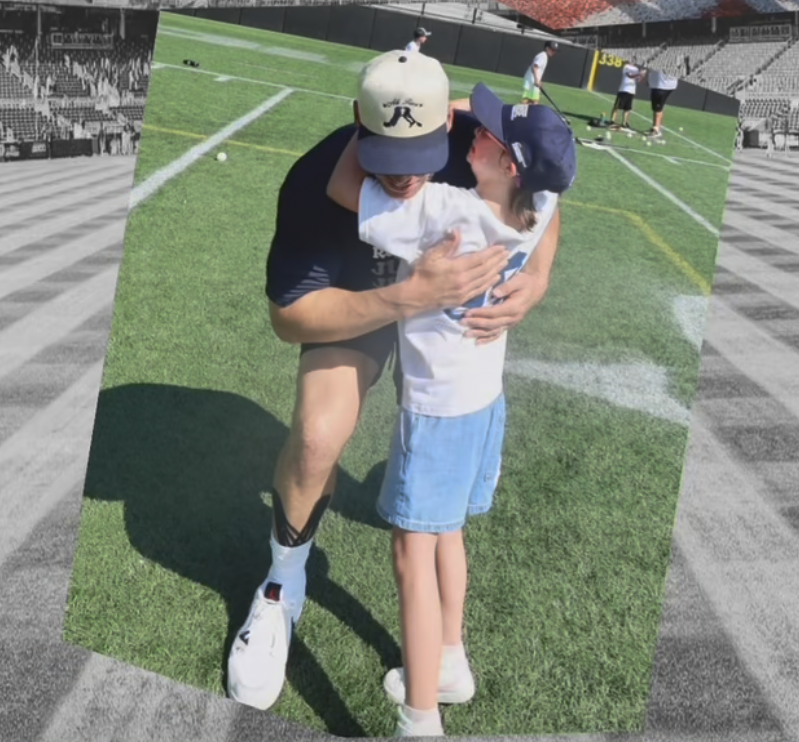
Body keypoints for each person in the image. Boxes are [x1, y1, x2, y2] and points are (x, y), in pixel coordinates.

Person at [226, 50, 563, 715]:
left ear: (452, 127)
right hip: (363, 305)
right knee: (320, 436)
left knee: (427, 529)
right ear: (359, 122)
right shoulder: (316, 180)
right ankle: (282, 584)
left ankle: (432, 688)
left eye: (419, 158)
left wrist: (539, 281)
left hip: (448, 341)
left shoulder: (475, 146)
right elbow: (289, 317)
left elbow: (546, 202)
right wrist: (408, 299)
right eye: (385, 157)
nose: (402, 179)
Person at [327, 65, 575, 736]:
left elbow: (344, 185)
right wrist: (478, 118)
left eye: (486, 130)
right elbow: (550, 190)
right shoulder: (534, 208)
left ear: (503, 161)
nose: (472, 125)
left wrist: (380, 119)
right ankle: (452, 658)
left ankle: (421, 715)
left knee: (413, 551)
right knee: (447, 535)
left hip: (435, 412)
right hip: (482, 404)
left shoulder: (440, 211)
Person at [521, 40, 558, 105]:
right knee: (532, 103)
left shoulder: (544, 56)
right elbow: (535, 67)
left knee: (529, 103)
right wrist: (537, 81)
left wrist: (538, 81)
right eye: (552, 50)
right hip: (532, 82)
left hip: (532, 81)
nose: (553, 52)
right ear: (547, 48)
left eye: (554, 50)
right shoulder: (543, 56)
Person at [610, 58, 643, 130]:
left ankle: (625, 123)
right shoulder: (626, 66)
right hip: (624, 89)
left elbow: (638, 80)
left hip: (631, 91)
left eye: (634, 60)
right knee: (618, 106)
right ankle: (612, 121)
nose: (632, 61)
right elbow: (630, 76)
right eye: (631, 59)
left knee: (627, 108)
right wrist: (639, 74)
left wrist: (641, 76)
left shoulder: (636, 69)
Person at [646, 65, 678, 138]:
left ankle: (656, 130)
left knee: (658, 108)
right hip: (659, 84)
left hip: (663, 85)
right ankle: (656, 127)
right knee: (657, 107)